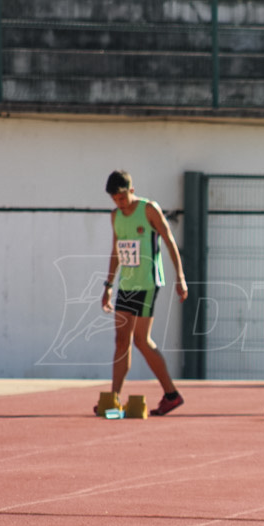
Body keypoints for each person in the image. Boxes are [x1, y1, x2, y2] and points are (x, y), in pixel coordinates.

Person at [99, 170, 188, 416]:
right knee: (121, 341)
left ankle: (171, 394)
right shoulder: (115, 216)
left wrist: (180, 277)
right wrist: (107, 286)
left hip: (148, 283)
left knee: (140, 340)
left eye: (123, 197)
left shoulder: (149, 209)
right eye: (115, 199)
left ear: (132, 190)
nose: (120, 203)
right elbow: (116, 252)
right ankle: (114, 398)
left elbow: (169, 241)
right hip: (125, 285)